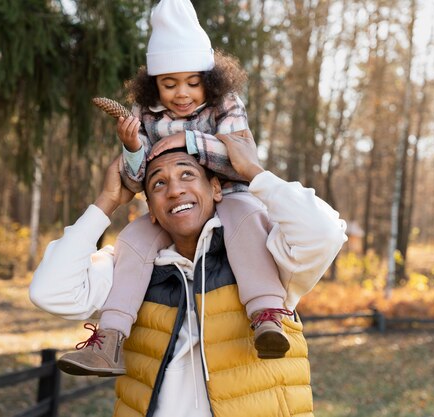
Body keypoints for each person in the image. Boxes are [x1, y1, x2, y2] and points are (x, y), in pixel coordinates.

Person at [30, 131, 347, 417]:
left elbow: (325, 232)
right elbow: (50, 292)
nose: (174, 190)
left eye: (186, 174)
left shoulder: (268, 256)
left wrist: (253, 172)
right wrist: (106, 202)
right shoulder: (128, 269)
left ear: (215, 188)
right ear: (151, 210)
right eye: (158, 183)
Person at [56, 0, 291, 376]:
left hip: (227, 194)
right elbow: (136, 182)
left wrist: (191, 141)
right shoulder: (143, 114)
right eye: (169, 84)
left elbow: (240, 160)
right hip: (168, 204)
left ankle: (266, 317)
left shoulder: (227, 104)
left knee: (248, 221)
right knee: (133, 238)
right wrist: (133, 149)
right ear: (154, 85)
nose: (182, 93)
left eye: (193, 83)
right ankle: (110, 339)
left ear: (209, 80)